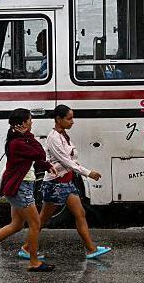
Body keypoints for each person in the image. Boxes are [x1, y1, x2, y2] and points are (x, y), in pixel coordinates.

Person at [0, 108, 56, 272]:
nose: (32, 122)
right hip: (21, 187)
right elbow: (39, 153)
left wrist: (46, 166)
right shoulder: (18, 142)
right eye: (30, 120)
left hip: (20, 186)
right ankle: (33, 261)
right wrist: (29, 136)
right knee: (35, 223)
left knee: (17, 225)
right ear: (23, 123)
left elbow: (34, 159)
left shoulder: (19, 141)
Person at [28, 104, 112, 259]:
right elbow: (66, 161)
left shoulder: (64, 135)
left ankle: (91, 249)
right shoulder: (54, 138)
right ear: (58, 119)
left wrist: (79, 167)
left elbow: (71, 160)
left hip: (66, 182)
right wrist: (88, 173)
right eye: (69, 118)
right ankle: (27, 248)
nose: (72, 122)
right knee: (42, 219)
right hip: (55, 184)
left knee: (80, 214)